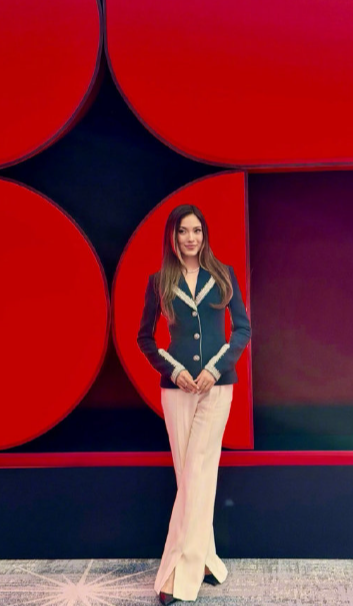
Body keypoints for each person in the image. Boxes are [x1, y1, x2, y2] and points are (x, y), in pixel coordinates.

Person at [137, 203, 251, 605]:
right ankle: (205, 560)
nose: (191, 238)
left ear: (204, 235)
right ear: (172, 237)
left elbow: (242, 329)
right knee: (190, 476)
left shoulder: (223, 275)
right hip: (177, 391)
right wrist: (175, 371)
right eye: (183, 231)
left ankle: (176, 575)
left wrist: (216, 368)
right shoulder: (159, 282)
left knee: (198, 471)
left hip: (217, 388)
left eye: (197, 231)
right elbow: (145, 339)